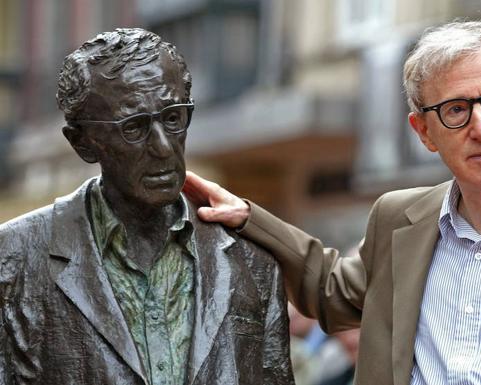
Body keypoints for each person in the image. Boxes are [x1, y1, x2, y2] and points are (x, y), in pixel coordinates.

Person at [183, 21, 481, 385]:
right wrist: (247, 218)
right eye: (456, 110)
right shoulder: (398, 220)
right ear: (423, 131)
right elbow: (330, 290)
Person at [0, 28, 294, 385]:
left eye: (173, 119)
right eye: (134, 127)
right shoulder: (13, 258)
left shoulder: (252, 261)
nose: (164, 148)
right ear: (83, 143)